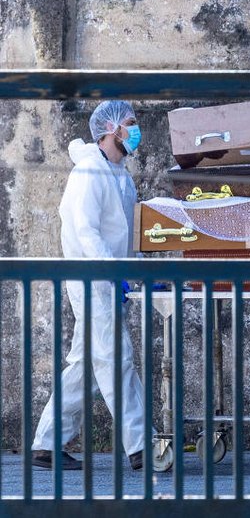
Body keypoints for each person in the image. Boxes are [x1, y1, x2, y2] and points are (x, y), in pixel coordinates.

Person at [32, 101, 150, 471]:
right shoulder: (88, 172)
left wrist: (140, 273)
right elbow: (86, 232)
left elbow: (124, 235)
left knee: (84, 365)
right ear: (111, 129)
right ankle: (142, 446)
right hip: (93, 279)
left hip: (109, 279)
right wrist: (113, 273)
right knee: (117, 358)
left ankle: (46, 444)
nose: (135, 130)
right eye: (130, 123)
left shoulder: (120, 174)